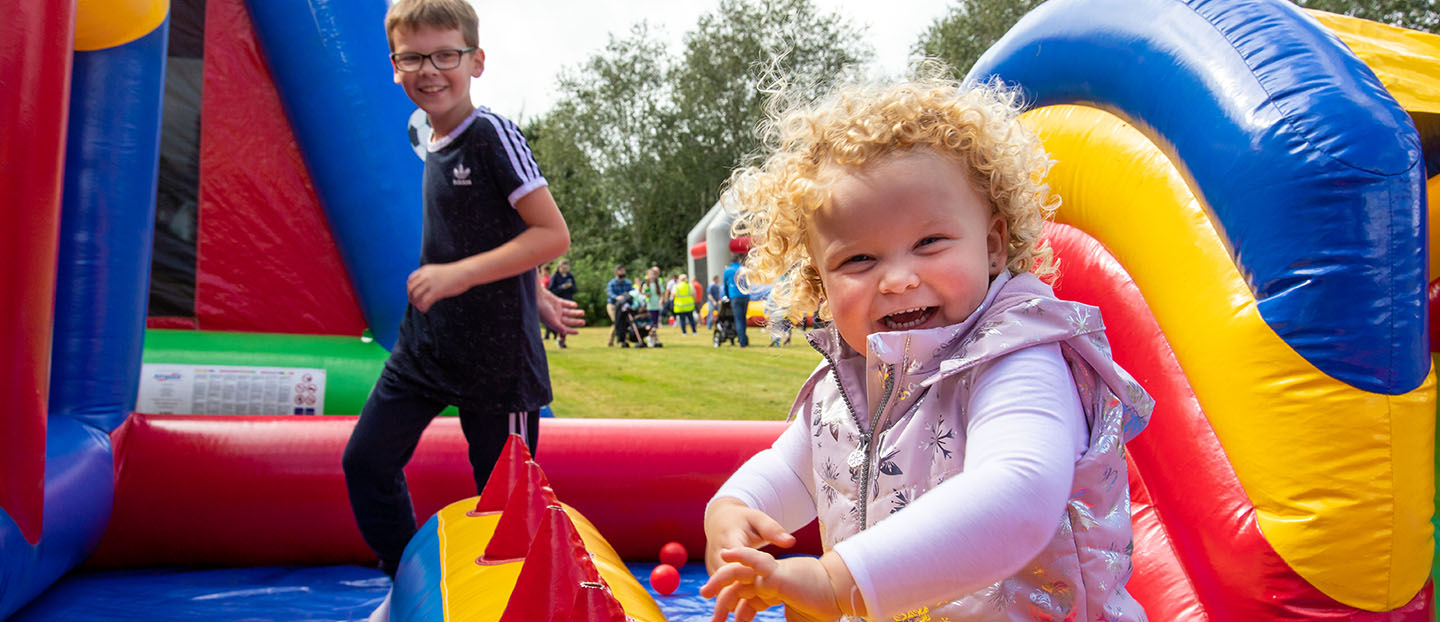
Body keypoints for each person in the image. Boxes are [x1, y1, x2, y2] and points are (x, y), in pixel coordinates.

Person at [699, 76, 1153, 622]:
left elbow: (1018, 495)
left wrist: (837, 581)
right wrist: (733, 509)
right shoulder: (846, 386)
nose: (896, 278)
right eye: (858, 261)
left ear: (991, 246)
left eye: (928, 243)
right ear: (819, 284)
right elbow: (793, 471)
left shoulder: (1018, 356)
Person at [342, 2, 582, 620]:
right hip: (425, 348)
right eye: (412, 57)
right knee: (366, 461)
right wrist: (536, 294)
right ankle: (410, 582)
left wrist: (460, 277)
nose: (430, 70)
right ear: (394, 67)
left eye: (445, 54)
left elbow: (551, 234)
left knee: (506, 510)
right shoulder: (426, 134)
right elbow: (487, 228)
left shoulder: (491, 134)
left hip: (497, 364)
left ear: (475, 60)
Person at [546, 259, 576, 348]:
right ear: (559, 267)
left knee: (566, 323)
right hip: (558, 302)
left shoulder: (570, 276)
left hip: (568, 301)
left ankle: (562, 340)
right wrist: (562, 287)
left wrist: (571, 287)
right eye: (563, 266)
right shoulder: (555, 277)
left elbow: (575, 290)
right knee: (560, 322)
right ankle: (559, 338)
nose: (565, 268)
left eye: (566, 266)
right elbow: (551, 291)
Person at [723, 255, 749, 347]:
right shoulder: (743, 269)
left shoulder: (728, 270)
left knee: (738, 319)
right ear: (739, 260)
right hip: (745, 295)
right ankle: (744, 338)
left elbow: (725, 285)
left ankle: (742, 341)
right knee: (743, 317)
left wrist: (727, 296)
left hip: (734, 296)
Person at [606, 264, 632, 347]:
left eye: (624, 270)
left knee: (625, 322)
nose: (623, 272)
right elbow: (610, 293)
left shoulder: (628, 283)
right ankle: (611, 341)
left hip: (623, 305)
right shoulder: (612, 283)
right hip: (612, 305)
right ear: (616, 272)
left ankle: (624, 340)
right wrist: (617, 297)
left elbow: (631, 292)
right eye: (621, 271)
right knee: (616, 321)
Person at [639, 267, 665, 346]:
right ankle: (650, 338)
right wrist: (646, 295)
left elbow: (662, 294)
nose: (652, 276)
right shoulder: (646, 284)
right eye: (650, 274)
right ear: (647, 275)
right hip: (649, 307)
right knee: (651, 324)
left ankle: (653, 339)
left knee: (655, 325)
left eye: (653, 274)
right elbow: (642, 294)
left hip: (656, 306)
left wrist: (661, 300)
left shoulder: (658, 283)